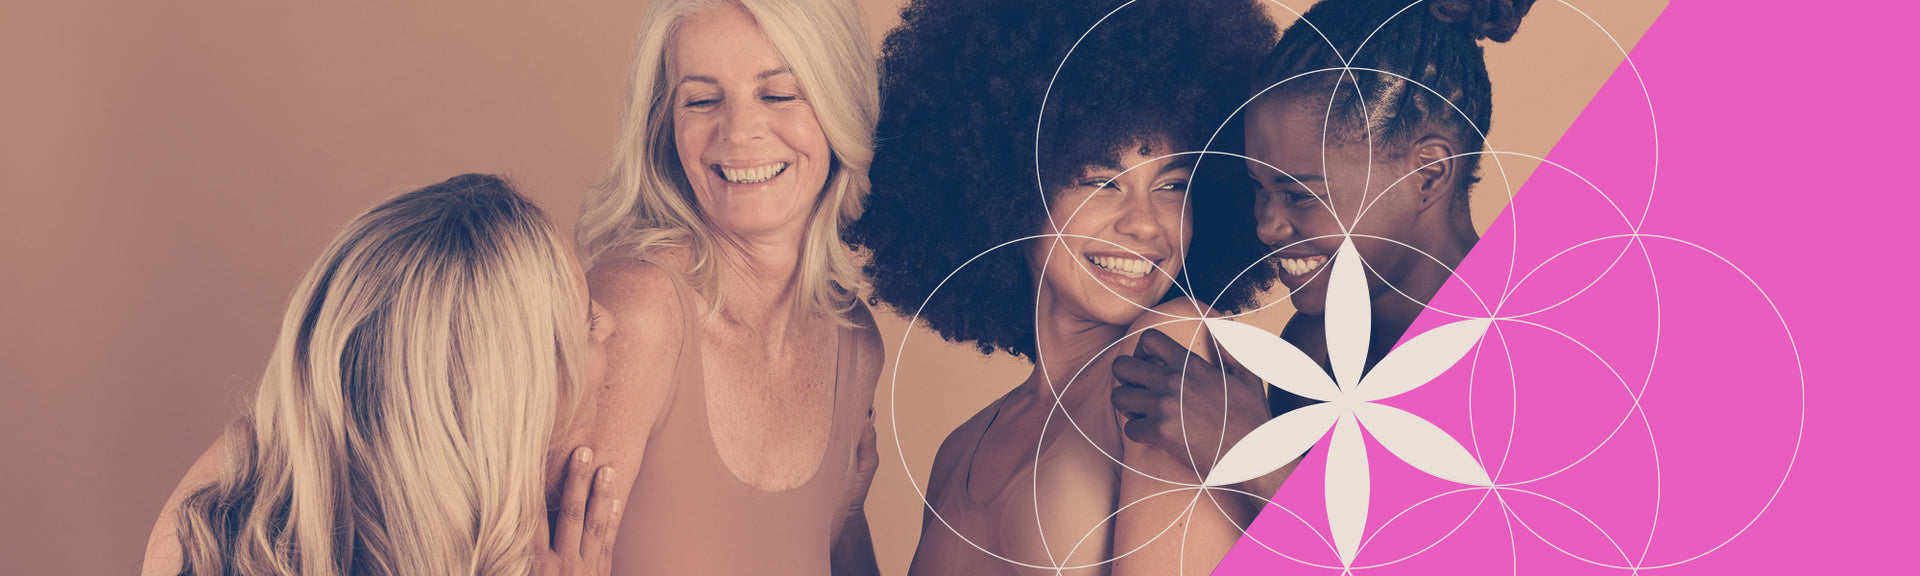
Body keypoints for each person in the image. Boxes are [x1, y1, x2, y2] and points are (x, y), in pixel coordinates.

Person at [845, 0, 1281, 573]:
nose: (1145, 225)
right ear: (1010, 193)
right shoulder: (959, 451)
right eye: (1101, 182)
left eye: (1172, 186)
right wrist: (844, 522)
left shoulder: (1166, 350)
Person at [1110, 0, 1536, 559]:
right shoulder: (1312, 352)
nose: (1266, 225)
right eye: (1259, 188)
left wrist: (1254, 454)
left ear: (1427, 173)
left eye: (1300, 194)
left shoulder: (1527, 356)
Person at [140, 174, 622, 576]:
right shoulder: (197, 526)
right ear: (502, 405)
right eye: (585, 323)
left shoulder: (218, 521)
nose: (612, 321)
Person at [566, 0, 884, 574]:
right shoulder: (634, 312)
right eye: (703, 100)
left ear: (841, 106)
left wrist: (853, 513)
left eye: (779, 94)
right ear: (665, 124)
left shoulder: (855, 342)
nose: (739, 132)